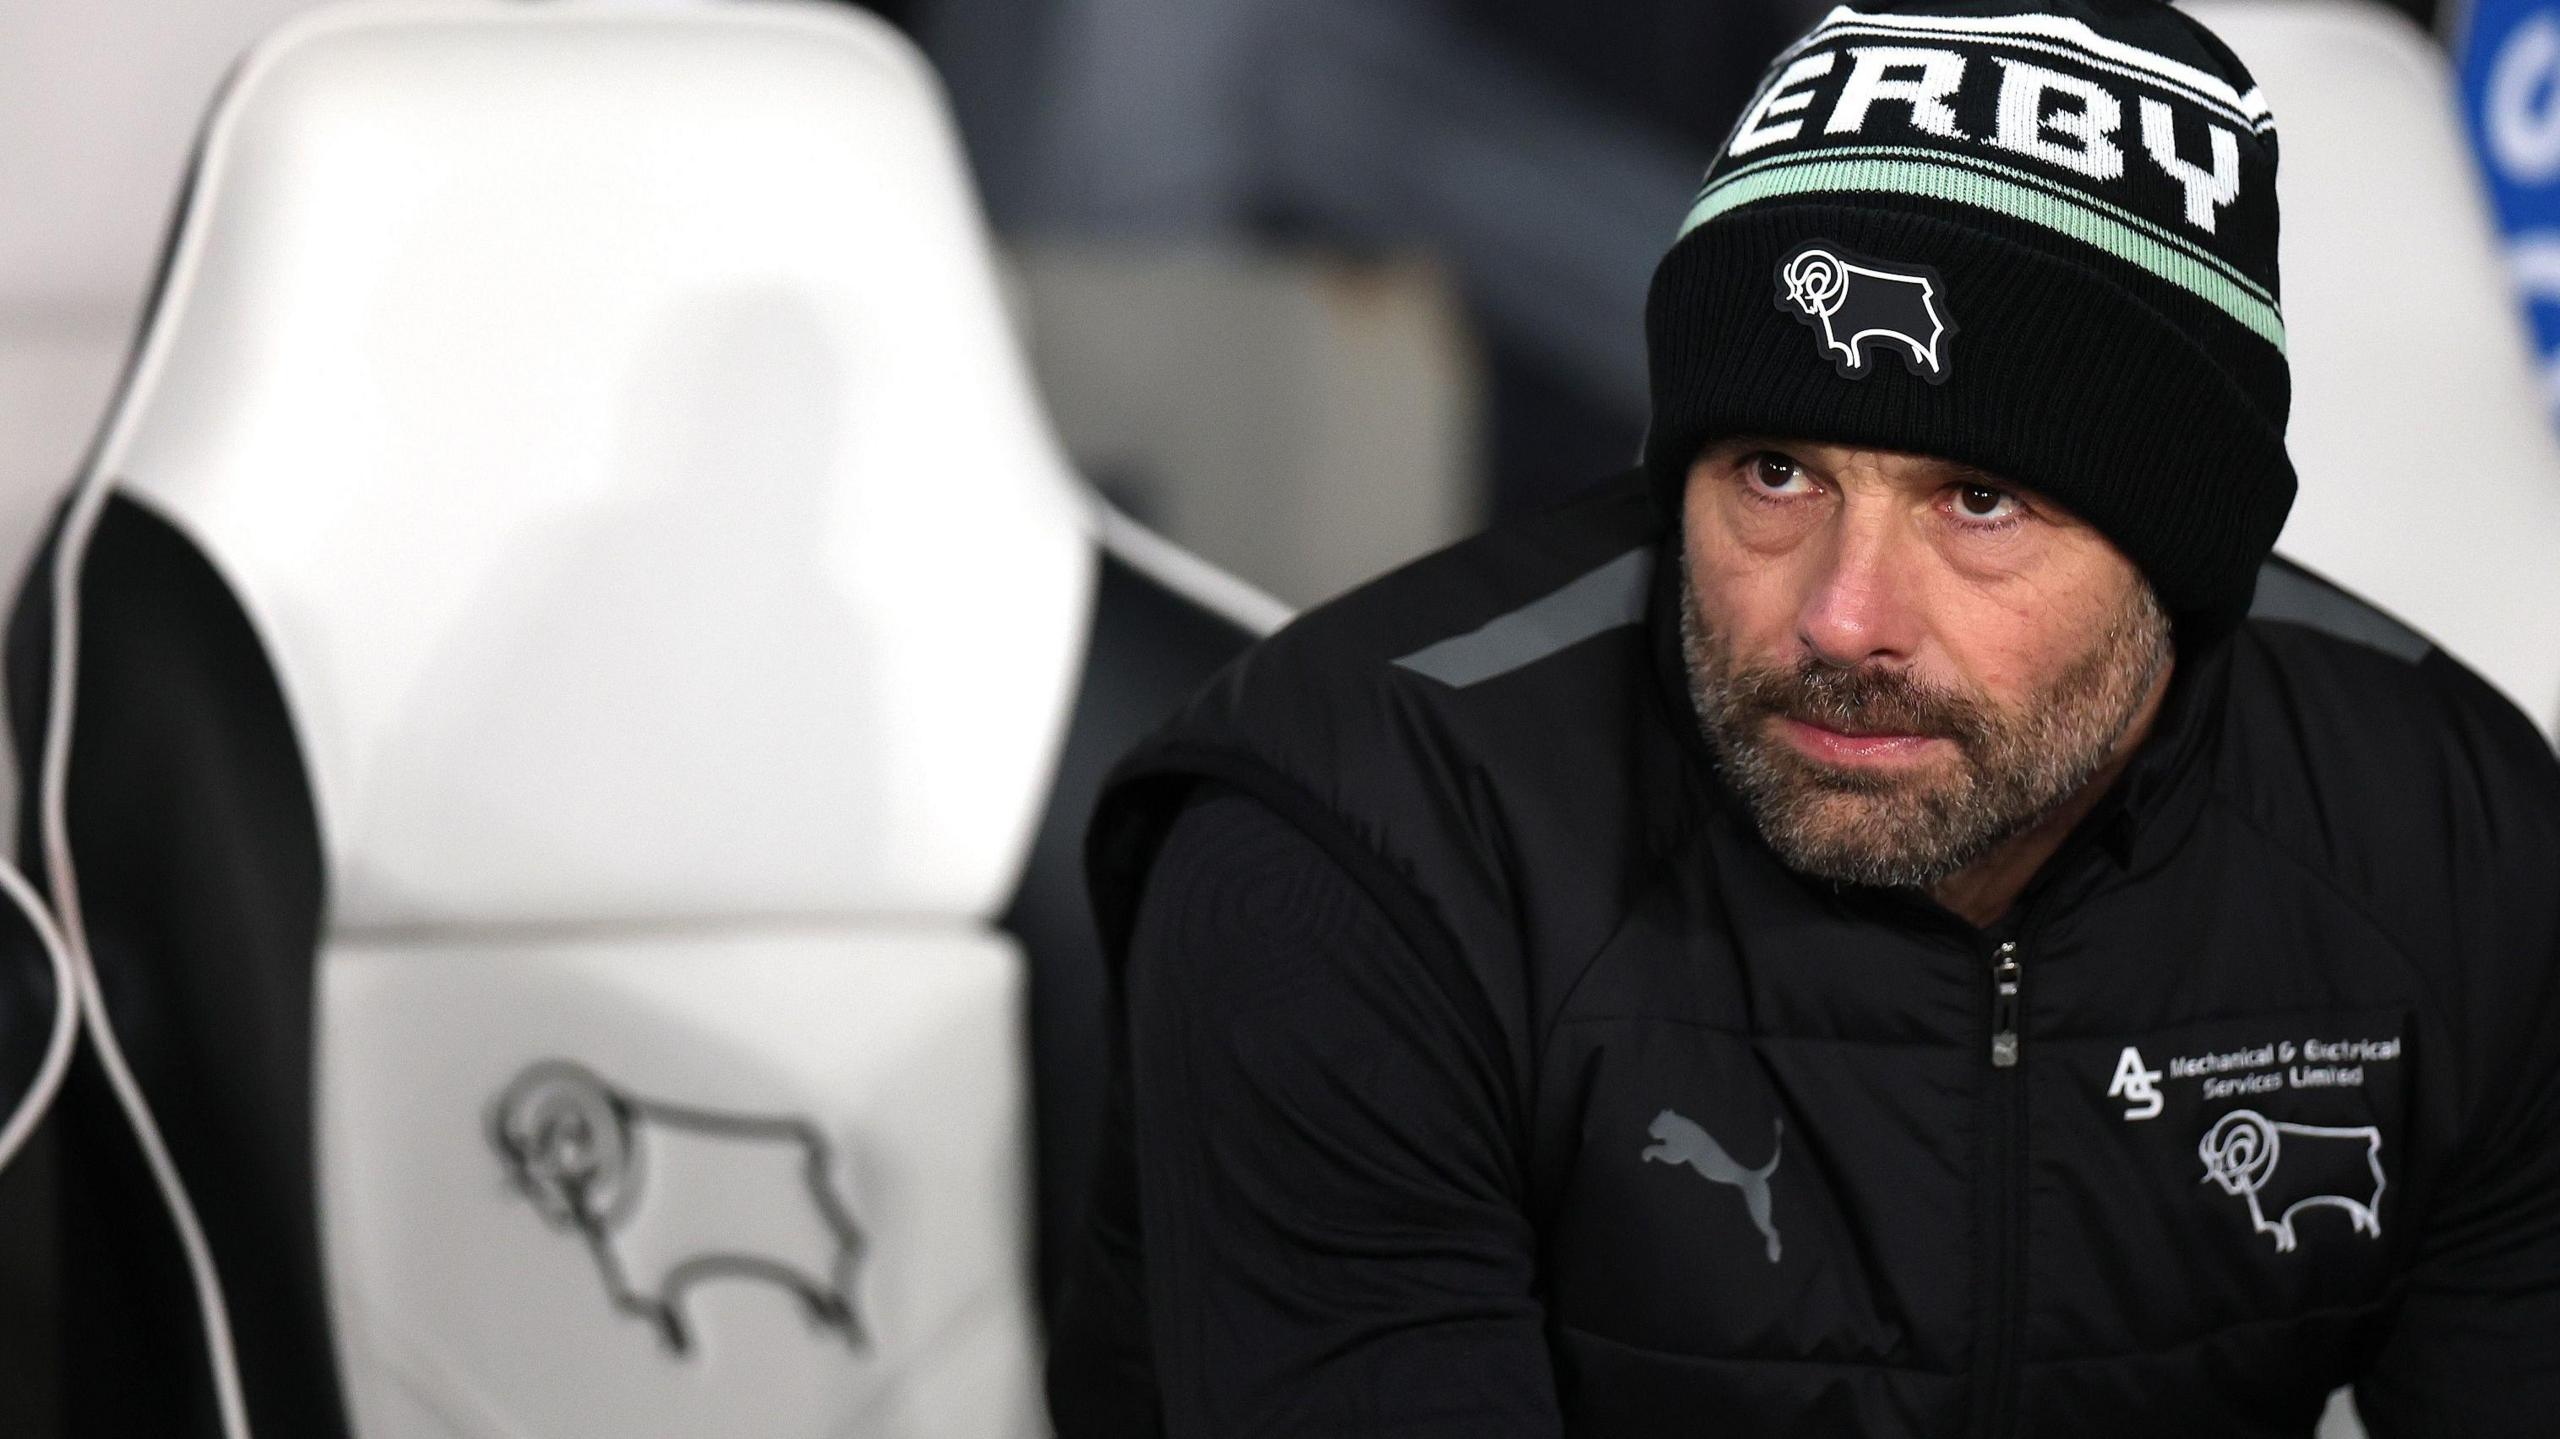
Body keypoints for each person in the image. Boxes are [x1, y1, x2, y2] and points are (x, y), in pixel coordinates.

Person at [1045, 0, 2560, 1433]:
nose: (1842, 617)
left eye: (1980, 502)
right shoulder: (1361, 846)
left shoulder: (2453, 835)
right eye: (1775, 472)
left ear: (2187, 549)